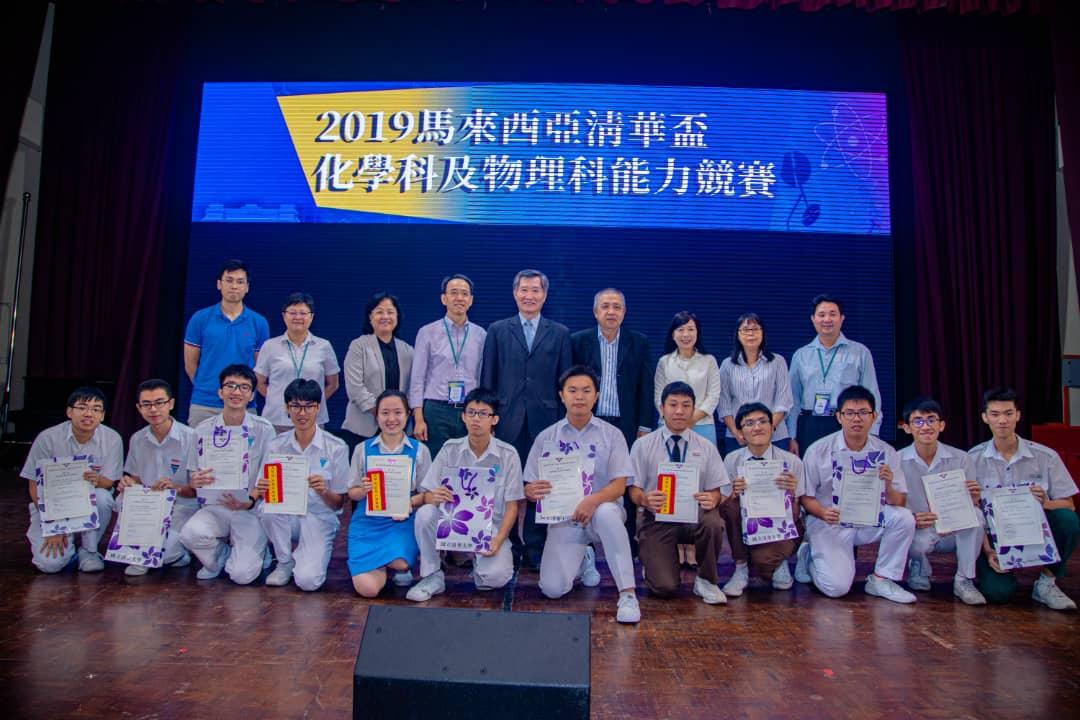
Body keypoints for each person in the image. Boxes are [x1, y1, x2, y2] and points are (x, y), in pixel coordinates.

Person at [524, 365, 640, 623]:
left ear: (596, 395)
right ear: (561, 395)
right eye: (572, 390)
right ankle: (585, 557)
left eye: (586, 390)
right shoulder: (546, 437)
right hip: (565, 518)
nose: (579, 396)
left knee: (609, 513)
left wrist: (592, 500)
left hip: (601, 512)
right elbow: (530, 485)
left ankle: (628, 595)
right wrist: (531, 491)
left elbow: (619, 486)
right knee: (552, 590)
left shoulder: (612, 435)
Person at [481, 269, 572, 569]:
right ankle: (507, 540)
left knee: (539, 484)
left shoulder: (559, 332)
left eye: (535, 290)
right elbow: (488, 378)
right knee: (504, 482)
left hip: (545, 420)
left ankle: (534, 546)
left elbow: (565, 382)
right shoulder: (497, 329)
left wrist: (564, 422)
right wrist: (489, 417)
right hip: (506, 418)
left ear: (544, 295)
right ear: (514, 293)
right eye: (524, 290)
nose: (529, 295)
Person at [795, 385, 916, 603]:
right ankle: (809, 556)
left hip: (868, 519)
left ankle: (881, 579)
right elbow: (805, 497)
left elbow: (900, 502)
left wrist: (888, 485)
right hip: (830, 522)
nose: (856, 419)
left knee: (904, 518)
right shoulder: (818, 450)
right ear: (839, 417)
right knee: (836, 588)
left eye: (863, 413)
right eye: (849, 413)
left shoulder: (886, 452)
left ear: (874, 417)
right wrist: (823, 513)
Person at [407, 388, 523, 601]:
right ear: (463, 416)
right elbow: (428, 495)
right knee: (425, 514)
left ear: (495, 419)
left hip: (489, 530)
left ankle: (475, 562)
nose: (476, 419)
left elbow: (512, 506)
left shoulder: (508, 455)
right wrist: (436, 496)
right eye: (471, 413)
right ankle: (433, 575)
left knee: (494, 578)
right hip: (452, 525)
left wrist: (498, 540)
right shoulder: (449, 449)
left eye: (483, 414)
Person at [969, 387, 1079, 610]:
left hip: (1037, 533)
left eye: (1008, 413)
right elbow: (973, 512)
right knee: (998, 594)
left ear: (1018, 415)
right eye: (995, 414)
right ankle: (994, 570)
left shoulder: (1045, 456)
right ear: (985, 417)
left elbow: (1069, 504)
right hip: (995, 539)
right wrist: (988, 551)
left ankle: (1047, 583)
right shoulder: (973, 459)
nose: (1002, 421)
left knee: (1067, 520)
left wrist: (1044, 503)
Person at [630, 381, 729, 604]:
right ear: (662, 408)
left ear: (693, 410)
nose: (679, 411)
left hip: (694, 516)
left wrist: (713, 498)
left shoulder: (706, 447)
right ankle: (655, 564)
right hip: (657, 519)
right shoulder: (643, 445)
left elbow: (718, 491)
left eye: (686, 405)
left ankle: (706, 580)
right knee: (664, 587)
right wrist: (644, 499)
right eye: (673, 404)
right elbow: (633, 489)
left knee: (713, 521)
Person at [571, 288, 653, 556]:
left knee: (625, 479)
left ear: (624, 312)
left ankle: (626, 540)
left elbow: (645, 386)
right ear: (595, 312)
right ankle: (583, 544)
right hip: (589, 422)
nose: (611, 312)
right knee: (584, 478)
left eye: (616, 307)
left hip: (625, 423)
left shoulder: (638, 342)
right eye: (605, 306)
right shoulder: (578, 341)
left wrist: (644, 426)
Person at [180, 364, 274, 584]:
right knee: (190, 534)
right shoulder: (202, 430)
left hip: (249, 509)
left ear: (251, 395)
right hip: (216, 505)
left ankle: (258, 552)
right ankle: (219, 556)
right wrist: (195, 481)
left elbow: (267, 474)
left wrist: (249, 500)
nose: (236, 392)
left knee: (242, 576)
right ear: (220, 392)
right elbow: (194, 473)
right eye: (230, 386)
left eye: (243, 387)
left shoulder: (264, 429)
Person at [257, 379, 349, 591]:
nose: (302, 413)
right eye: (296, 406)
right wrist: (263, 490)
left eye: (308, 406)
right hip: (286, 516)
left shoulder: (336, 447)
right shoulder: (276, 445)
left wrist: (323, 490)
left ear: (318, 408)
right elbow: (264, 493)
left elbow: (337, 504)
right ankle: (284, 561)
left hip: (319, 517)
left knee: (308, 582)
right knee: (267, 509)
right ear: (287, 409)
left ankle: (305, 558)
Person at [21, 386, 121, 573]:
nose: (88, 413)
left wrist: (97, 480)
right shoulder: (47, 438)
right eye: (82, 407)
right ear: (69, 411)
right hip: (52, 506)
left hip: (87, 503)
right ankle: (68, 547)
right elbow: (33, 485)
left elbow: (109, 483)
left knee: (102, 497)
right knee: (49, 565)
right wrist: (53, 525)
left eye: (96, 409)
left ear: (103, 415)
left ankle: (89, 550)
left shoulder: (112, 439)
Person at [897, 397, 986, 605]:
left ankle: (964, 579)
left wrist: (973, 499)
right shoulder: (897, 459)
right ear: (907, 428)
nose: (925, 426)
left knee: (977, 516)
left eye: (931, 420)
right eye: (918, 421)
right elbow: (892, 503)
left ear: (941, 425)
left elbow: (972, 503)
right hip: (919, 528)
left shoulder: (962, 458)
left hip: (953, 527)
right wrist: (912, 517)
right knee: (901, 524)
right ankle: (918, 565)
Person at [347, 390, 433, 597]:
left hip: (401, 519)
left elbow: (428, 495)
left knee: (401, 563)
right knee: (367, 590)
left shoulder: (420, 450)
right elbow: (352, 493)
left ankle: (395, 564)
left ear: (408, 415)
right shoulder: (362, 449)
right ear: (376, 415)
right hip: (368, 520)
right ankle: (382, 565)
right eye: (385, 413)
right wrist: (363, 490)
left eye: (398, 412)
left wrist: (409, 502)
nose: (391, 419)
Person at [720, 402, 803, 596]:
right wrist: (734, 493)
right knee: (730, 507)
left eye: (762, 421)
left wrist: (791, 494)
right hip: (747, 525)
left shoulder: (791, 462)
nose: (757, 427)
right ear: (740, 432)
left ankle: (779, 561)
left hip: (782, 526)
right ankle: (741, 566)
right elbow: (723, 505)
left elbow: (799, 514)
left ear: (772, 426)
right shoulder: (732, 460)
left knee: (765, 567)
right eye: (749, 423)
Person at [116, 379, 198, 577]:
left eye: (160, 403)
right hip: (150, 508)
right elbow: (135, 478)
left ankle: (178, 551)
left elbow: (197, 490)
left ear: (171, 403)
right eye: (147, 404)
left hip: (182, 506)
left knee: (163, 552)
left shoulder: (192, 437)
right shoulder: (137, 439)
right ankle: (159, 552)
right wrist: (128, 483)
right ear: (139, 408)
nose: (153, 409)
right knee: (120, 499)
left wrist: (176, 487)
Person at [787, 295, 881, 456]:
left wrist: (872, 433)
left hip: (847, 422)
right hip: (810, 424)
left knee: (847, 475)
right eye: (821, 315)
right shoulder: (801, 355)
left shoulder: (860, 352)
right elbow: (792, 400)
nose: (827, 319)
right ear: (813, 319)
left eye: (832, 314)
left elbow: (872, 395)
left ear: (842, 318)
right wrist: (791, 436)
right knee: (811, 477)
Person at [183, 259, 270, 427]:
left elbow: (260, 369)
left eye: (240, 282)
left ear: (247, 287)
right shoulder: (200, 319)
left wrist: (240, 393)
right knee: (200, 452)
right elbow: (190, 365)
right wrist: (210, 387)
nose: (234, 286)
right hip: (205, 404)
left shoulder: (259, 323)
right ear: (219, 284)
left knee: (245, 453)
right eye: (229, 280)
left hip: (244, 405)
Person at [409, 274, 487, 458]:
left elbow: (483, 377)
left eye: (464, 294)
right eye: (454, 293)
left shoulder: (481, 335)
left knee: (467, 463)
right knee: (436, 464)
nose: (459, 298)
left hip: (470, 411)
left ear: (471, 300)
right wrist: (418, 418)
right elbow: (417, 379)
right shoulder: (427, 332)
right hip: (436, 410)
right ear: (444, 298)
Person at [255, 292, 340, 434]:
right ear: (284, 315)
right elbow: (259, 381)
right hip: (277, 419)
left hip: (313, 420)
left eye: (303, 313)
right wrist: (277, 399)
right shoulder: (270, 346)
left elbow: (333, 384)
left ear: (311, 316)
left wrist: (310, 404)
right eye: (293, 313)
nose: (298, 317)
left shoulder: (324, 346)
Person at [342, 292, 413, 443]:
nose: (385, 316)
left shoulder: (408, 350)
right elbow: (355, 388)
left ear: (397, 317)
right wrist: (384, 413)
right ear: (370, 317)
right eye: (379, 312)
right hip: (362, 428)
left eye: (390, 312)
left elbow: (412, 389)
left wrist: (396, 416)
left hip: (398, 429)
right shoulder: (358, 346)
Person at [718, 313, 794, 455]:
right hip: (738, 438)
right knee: (738, 477)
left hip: (774, 435)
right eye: (746, 330)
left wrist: (768, 429)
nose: (751, 334)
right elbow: (724, 404)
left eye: (756, 329)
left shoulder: (778, 362)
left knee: (776, 477)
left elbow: (784, 401)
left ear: (763, 333)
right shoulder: (727, 365)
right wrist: (737, 432)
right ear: (738, 335)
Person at [653, 311, 721, 446]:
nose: (686, 334)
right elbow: (658, 396)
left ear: (697, 333)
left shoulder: (709, 360)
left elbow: (714, 395)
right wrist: (673, 419)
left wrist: (691, 419)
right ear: (673, 334)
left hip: (702, 424)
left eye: (691, 329)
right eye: (680, 330)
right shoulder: (664, 362)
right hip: (669, 425)